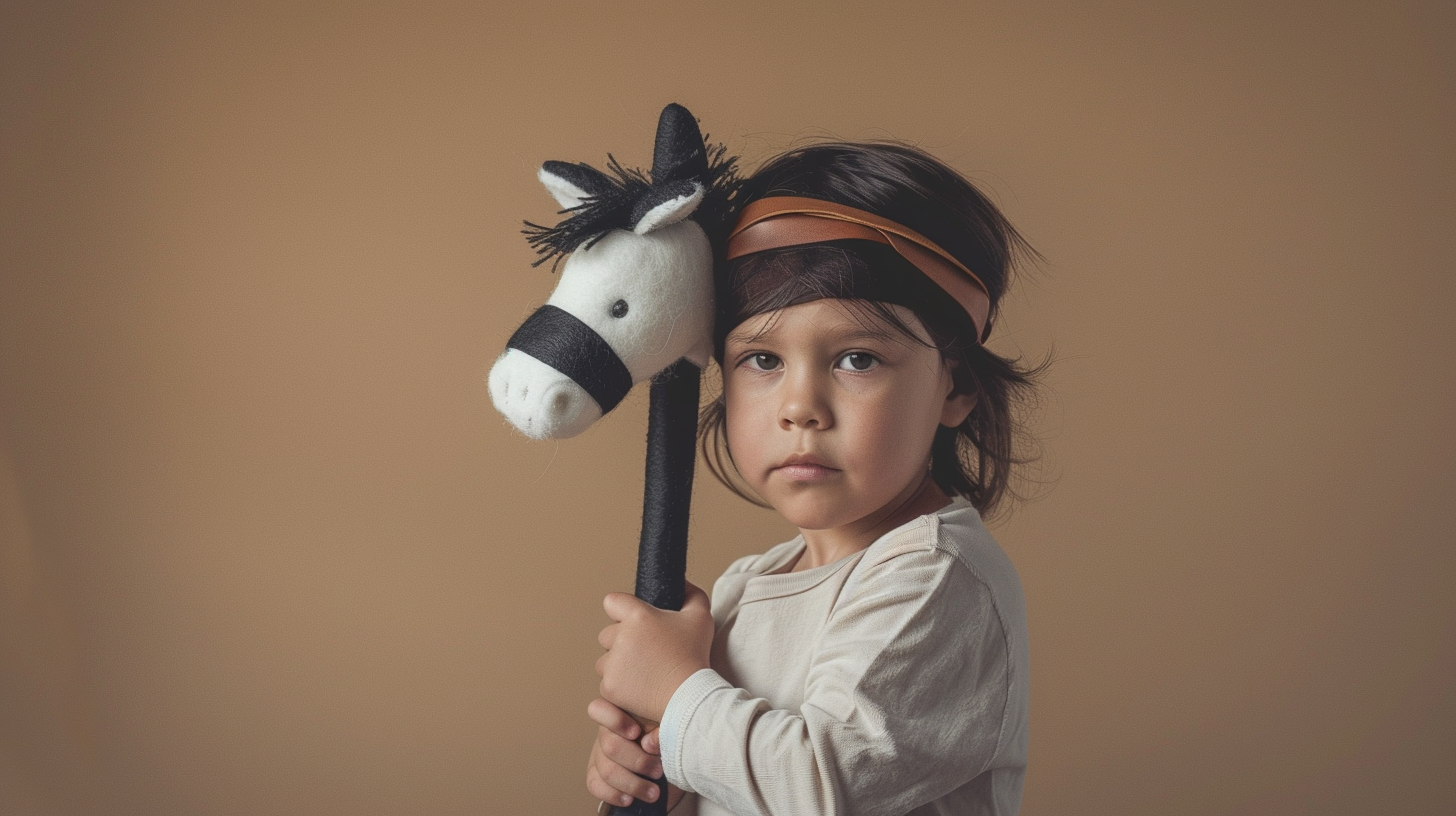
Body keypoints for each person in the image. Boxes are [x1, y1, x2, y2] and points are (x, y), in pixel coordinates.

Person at [586, 141, 1042, 816]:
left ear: (957, 387)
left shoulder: (934, 576)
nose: (800, 407)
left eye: (857, 359)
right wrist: (654, 763)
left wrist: (680, 692)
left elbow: (823, 788)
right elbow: (736, 779)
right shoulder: (749, 584)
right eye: (762, 359)